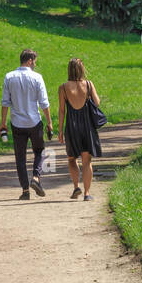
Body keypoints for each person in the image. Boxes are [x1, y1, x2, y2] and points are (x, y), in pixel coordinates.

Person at [0, 49, 53, 200]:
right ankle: (36, 178)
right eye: (34, 61)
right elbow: (44, 102)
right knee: (39, 151)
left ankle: (25, 191)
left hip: (17, 123)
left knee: (20, 157)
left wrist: (3, 123)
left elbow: (5, 103)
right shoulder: (37, 77)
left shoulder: (9, 77)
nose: (35, 64)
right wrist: (49, 122)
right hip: (34, 121)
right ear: (29, 61)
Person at [58, 58, 102, 201]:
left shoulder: (63, 88)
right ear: (82, 69)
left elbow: (62, 111)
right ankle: (87, 193)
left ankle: (76, 186)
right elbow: (97, 102)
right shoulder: (89, 84)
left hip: (72, 127)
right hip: (87, 127)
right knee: (87, 161)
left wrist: (60, 131)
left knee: (71, 158)